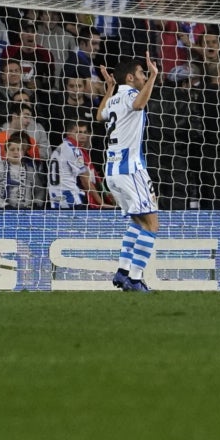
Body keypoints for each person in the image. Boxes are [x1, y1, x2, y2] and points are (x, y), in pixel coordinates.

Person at [97, 55, 161, 291]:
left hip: (112, 171)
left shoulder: (113, 99)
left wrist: (110, 88)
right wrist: (154, 76)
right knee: (152, 224)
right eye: (142, 73)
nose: (144, 77)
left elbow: (99, 115)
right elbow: (139, 104)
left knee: (137, 222)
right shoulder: (131, 95)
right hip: (131, 169)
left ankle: (123, 272)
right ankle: (135, 279)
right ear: (130, 77)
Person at [47, 118, 98, 208]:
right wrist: (101, 202)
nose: (83, 136)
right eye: (78, 132)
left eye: (85, 132)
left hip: (55, 199)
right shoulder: (74, 150)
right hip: (70, 199)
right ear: (69, 133)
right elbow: (85, 181)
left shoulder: (60, 148)